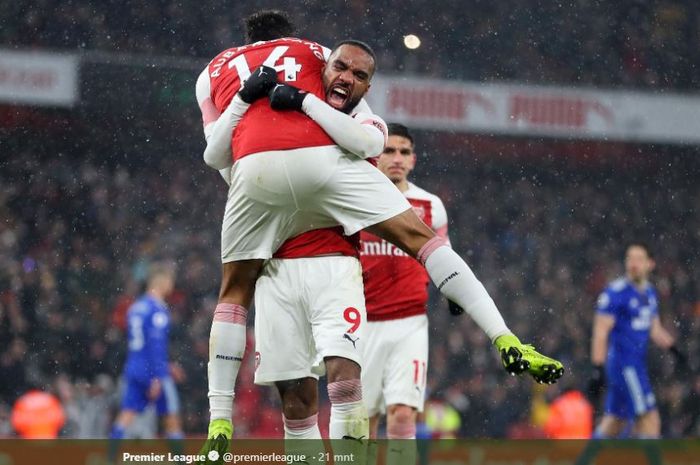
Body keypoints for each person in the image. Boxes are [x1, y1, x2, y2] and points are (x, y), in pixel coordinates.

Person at [195, 10, 564, 454]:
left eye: (357, 74)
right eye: (342, 69)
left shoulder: (211, 73)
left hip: (257, 191)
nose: (345, 77)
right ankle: (503, 334)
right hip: (322, 218)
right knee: (421, 240)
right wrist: (304, 104)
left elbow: (215, 156)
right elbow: (369, 142)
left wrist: (257, 110)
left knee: (237, 300)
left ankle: (219, 420)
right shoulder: (312, 53)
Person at [358, 123, 448, 465]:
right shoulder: (357, 195)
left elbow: (444, 255)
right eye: (389, 150)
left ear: (413, 159)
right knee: (364, 419)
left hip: (410, 323)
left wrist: (452, 292)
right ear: (375, 156)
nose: (396, 158)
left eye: (404, 152)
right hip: (362, 324)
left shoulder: (431, 206)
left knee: (403, 414)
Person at [587, 243, 684, 438]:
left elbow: (654, 330)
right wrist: (597, 368)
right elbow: (600, 332)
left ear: (650, 264)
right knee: (649, 420)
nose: (633, 264)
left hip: (636, 365)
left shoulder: (649, 293)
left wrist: (676, 351)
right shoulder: (615, 293)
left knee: (614, 422)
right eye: (630, 258)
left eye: (639, 259)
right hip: (625, 366)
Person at [108, 262, 183, 457]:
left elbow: (138, 343)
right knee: (171, 418)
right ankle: (180, 460)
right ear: (162, 282)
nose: (171, 286)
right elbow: (156, 345)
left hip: (134, 367)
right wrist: (158, 376)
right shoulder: (157, 310)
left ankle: (110, 458)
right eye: (170, 281)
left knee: (125, 414)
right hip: (153, 371)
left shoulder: (136, 308)